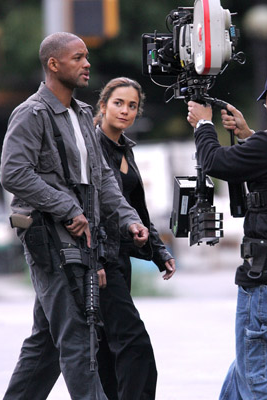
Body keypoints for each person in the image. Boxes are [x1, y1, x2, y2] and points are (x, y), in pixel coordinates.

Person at [0, 32, 150, 400]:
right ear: (54, 64)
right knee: (80, 336)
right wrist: (67, 207)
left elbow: (102, 180)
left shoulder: (83, 114)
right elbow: (13, 173)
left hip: (82, 240)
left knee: (47, 345)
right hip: (50, 241)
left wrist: (130, 219)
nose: (87, 64)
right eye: (78, 58)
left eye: (86, 57)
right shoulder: (31, 113)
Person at [187, 63, 267, 400]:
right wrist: (249, 136)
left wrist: (203, 124)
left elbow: (217, 163)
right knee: (247, 368)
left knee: (260, 379)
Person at [93, 77, 176, 400]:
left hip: (120, 258)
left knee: (109, 348)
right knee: (133, 344)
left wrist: (159, 252)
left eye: (132, 106)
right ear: (102, 106)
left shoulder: (126, 149)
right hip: (99, 260)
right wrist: (96, 259)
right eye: (118, 103)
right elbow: (90, 207)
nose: (125, 111)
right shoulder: (90, 149)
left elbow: (136, 210)